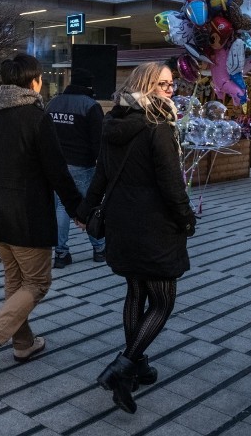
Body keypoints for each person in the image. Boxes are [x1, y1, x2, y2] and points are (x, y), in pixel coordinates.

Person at [77, 62, 196, 413]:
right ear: (146, 84)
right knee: (162, 302)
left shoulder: (114, 121)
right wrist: (186, 218)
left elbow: (101, 174)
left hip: (123, 223)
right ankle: (122, 368)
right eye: (163, 84)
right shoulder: (159, 126)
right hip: (155, 225)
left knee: (136, 293)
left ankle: (135, 368)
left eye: (172, 85)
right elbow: (172, 183)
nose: (169, 91)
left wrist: (85, 211)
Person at [0, 54, 83, 384]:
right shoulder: (36, 118)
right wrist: (79, 211)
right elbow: (57, 172)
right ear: (33, 82)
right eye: (40, 78)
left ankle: (24, 343)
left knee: (15, 283)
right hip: (27, 217)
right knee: (37, 283)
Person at [46, 68, 105, 268]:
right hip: (83, 165)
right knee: (89, 204)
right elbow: (99, 141)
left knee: (61, 207)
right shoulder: (91, 106)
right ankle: (99, 248)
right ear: (89, 86)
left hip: (57, 166)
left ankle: (61, 254)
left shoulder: (53, 103)